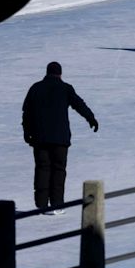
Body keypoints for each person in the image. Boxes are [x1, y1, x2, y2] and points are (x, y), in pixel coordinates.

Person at [21, 62, 98, 214]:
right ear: (60, 74)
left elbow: (26, 112)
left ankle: (42, 205)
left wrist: (27, 132)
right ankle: (57, 205)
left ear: (47, 72)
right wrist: (91, 118)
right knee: (58, 170)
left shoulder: (35, 88)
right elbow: (79, 104)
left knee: (42, 169)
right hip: (60, 139)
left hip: (40, 138)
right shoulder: (65, 88)